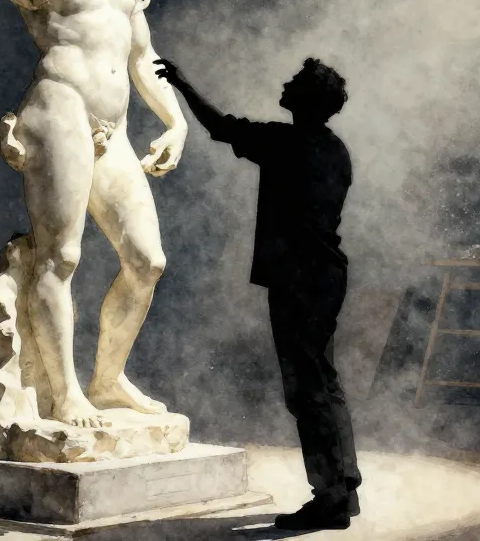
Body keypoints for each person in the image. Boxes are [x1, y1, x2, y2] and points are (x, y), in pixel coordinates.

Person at [0, 0, 188, 428]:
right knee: (61, 256)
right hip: (61, 109)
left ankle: (107, 380)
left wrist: (176, 120)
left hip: (115, 127)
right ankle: (65, 393)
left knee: (147, 261)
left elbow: (143, 57)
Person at [155, 57, 362, 531]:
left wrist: (183, 83)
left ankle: (330, 498)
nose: (285, 83)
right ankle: (342, 488)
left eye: (295, 82)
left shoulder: (287, 142)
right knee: (324, 384)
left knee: (308, 392)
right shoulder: (336, 149)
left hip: (298, 280)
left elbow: (221, 127)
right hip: (326, 276)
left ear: (305, 98)